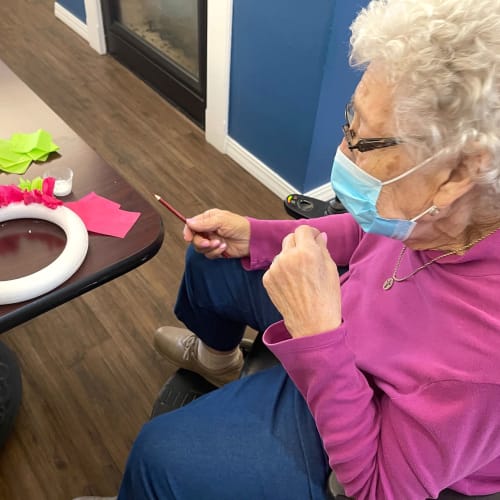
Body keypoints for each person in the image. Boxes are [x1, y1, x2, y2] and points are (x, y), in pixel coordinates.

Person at [75, 0, 500, 498]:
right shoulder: (434, 216)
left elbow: (379, 488)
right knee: (215, 260)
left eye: (364, 142)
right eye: (350, 121)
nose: (341, 153)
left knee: (160, 457)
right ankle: (218, 364)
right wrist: (256, 235)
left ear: (458, 174)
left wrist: (319, 336)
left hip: (370, 417)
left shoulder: (481, 367)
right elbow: (373, 234)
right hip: (347, 329)